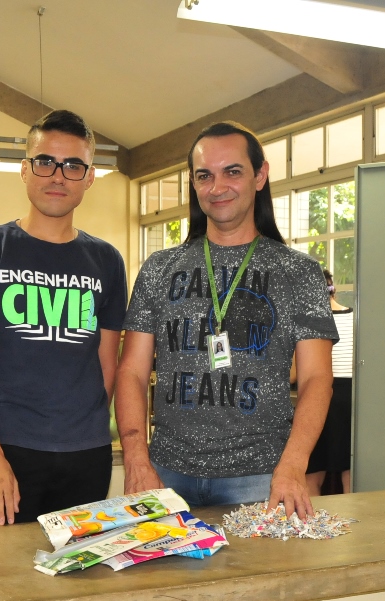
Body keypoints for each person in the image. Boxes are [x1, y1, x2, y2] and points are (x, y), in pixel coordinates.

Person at [116, 121, 336, 519]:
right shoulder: (158, 269)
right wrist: (136, 457)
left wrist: (293, 463)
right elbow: (131, 370)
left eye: (232, 171)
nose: (217, 187)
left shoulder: (297, 272)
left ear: (260, 176)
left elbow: (317, 378)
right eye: (205, 176)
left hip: (262, 477)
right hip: (166, 475)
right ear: (193, 183)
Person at [0, 110, 127, 526]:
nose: (58, 176)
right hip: (8, 451)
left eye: (73, 165)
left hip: (87, 455)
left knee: (77, 582)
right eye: (45, 162)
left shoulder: (106, 260)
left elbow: (107, 362)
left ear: (89, 176)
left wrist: (83, 426)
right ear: (25, 170)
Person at [306, 270, 354, 495]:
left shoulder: (311, 324)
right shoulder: (355, 317)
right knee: (349, 469)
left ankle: (310, 523)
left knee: (313, 470)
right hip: (351, 399)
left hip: (320, 395)